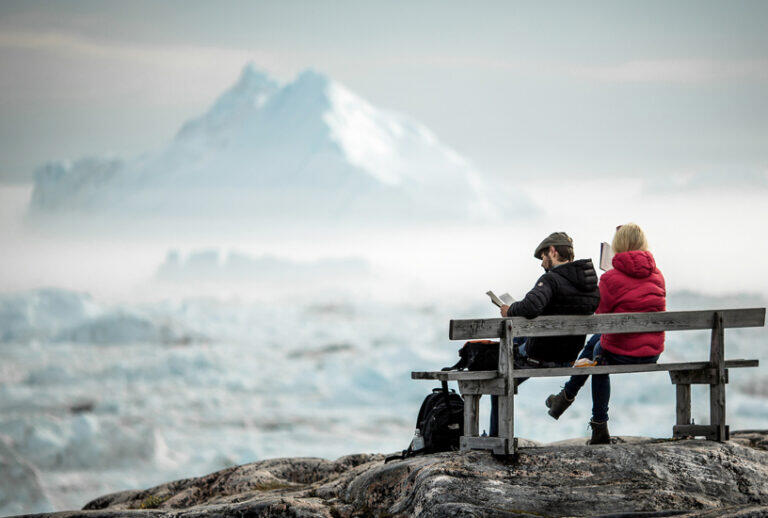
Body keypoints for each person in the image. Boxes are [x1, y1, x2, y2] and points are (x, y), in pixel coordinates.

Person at [545, 223, 666, 444]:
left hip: (624, 353)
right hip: (652, 353)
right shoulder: (657, 275)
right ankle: (564, 398)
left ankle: (594, 421)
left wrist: (608, 280)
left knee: (597, 357)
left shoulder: (611, 278)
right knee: (596, 344)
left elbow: (600, 316)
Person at [490, 231, 600, 437]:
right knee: (521, 339)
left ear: (552, 251)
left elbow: (532, 305)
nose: (542, 263)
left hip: (540, 356)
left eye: (543, 257)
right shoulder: (590, 284)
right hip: (568, 358)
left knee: (499, 381)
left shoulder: (552, 280)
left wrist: (509, 310)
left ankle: (497, 437)